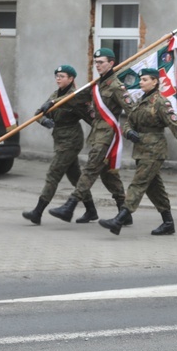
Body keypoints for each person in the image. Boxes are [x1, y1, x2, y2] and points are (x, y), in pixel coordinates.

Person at [98, 68, 177, 236]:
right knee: (154, 188)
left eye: (145, 79)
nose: (141, 82)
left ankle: (120, 219)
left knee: (138, 184)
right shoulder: (140, 101)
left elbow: (176, 126)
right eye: (141, 79)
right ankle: (168, 223)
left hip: (154, 150)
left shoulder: (160, 102)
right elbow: (128, 122)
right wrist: (129, 132)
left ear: (155, 82)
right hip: (141, 150)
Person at [48, 48, 134, 223]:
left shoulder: (116, 86)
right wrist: (51, 103)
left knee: (90, 169)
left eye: (101, 62)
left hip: (108, 136)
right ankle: (124, 212)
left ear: (111, 63)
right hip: (97, 133)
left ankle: (70, 206)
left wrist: (129, 129)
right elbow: (76, 97)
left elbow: (133, 111)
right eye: (96, 62)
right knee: (108, 175)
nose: (97, 65)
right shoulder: (97, 84)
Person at [22, 65, 97, 225]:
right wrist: (45, 120)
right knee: (75, 176)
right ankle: (91, 210)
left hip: (71, 140)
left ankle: (38, 212)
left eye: (62, 76)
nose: (58, 78)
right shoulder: (56, 95)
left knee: (53, 174)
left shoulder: (75, 97)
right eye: (57, 76)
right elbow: (39, 113)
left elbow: (92, 118)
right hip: (60, 139)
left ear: (71, 79)